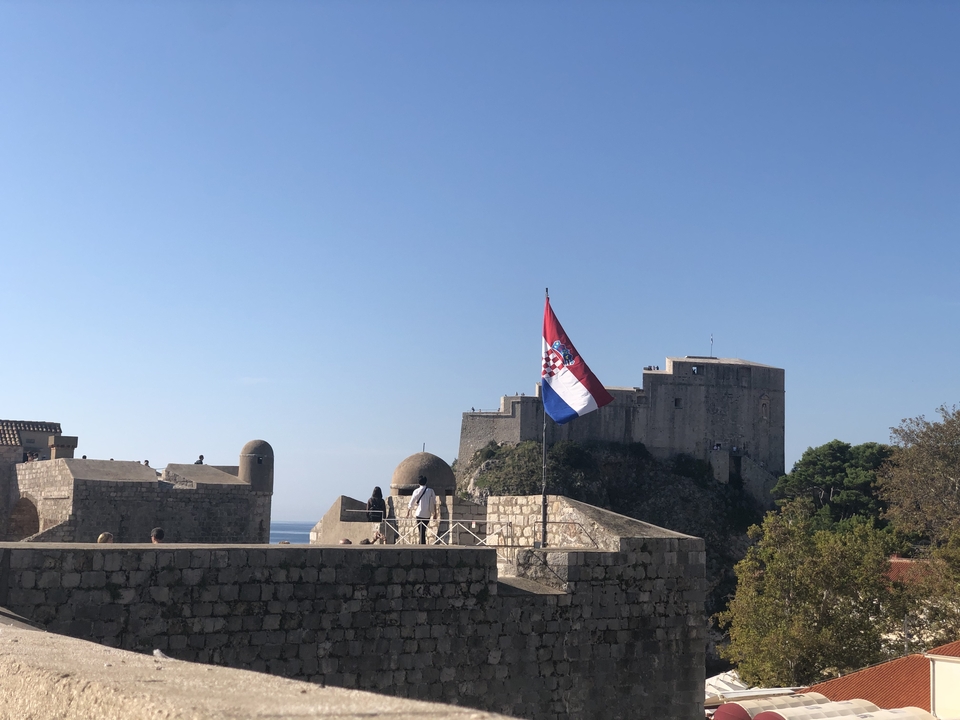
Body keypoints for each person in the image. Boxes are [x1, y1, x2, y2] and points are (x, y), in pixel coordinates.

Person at [408, 475, 436, 545]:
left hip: (419, 514)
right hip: (427, 514)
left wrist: (408, 512)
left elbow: (411, 502)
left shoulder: (416, 491)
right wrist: (435, 513)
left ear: (419, 482)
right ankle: (422, 543)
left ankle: (422, 544)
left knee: (421, 530)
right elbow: (434, 502)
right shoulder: (431, 491)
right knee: (423, 530)